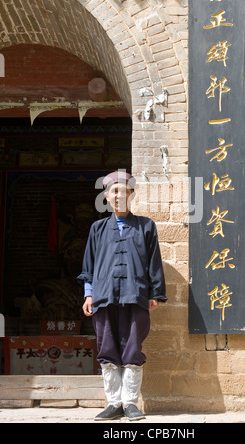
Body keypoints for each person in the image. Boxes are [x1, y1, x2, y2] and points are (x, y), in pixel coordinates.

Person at [78, 170, 167, 421]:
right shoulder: (97, 229)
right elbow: (89, 264)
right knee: (107, 347)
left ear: (131, 195)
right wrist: (88, 295)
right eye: (114, 191)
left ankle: (130, 403)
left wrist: (155, 293)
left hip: (135, 295)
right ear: (107, 196)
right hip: (104, 296)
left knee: (132, 348)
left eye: (124, 191)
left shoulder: (146, 226)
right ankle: (113, 402)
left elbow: (154, 262)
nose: (119, 195)